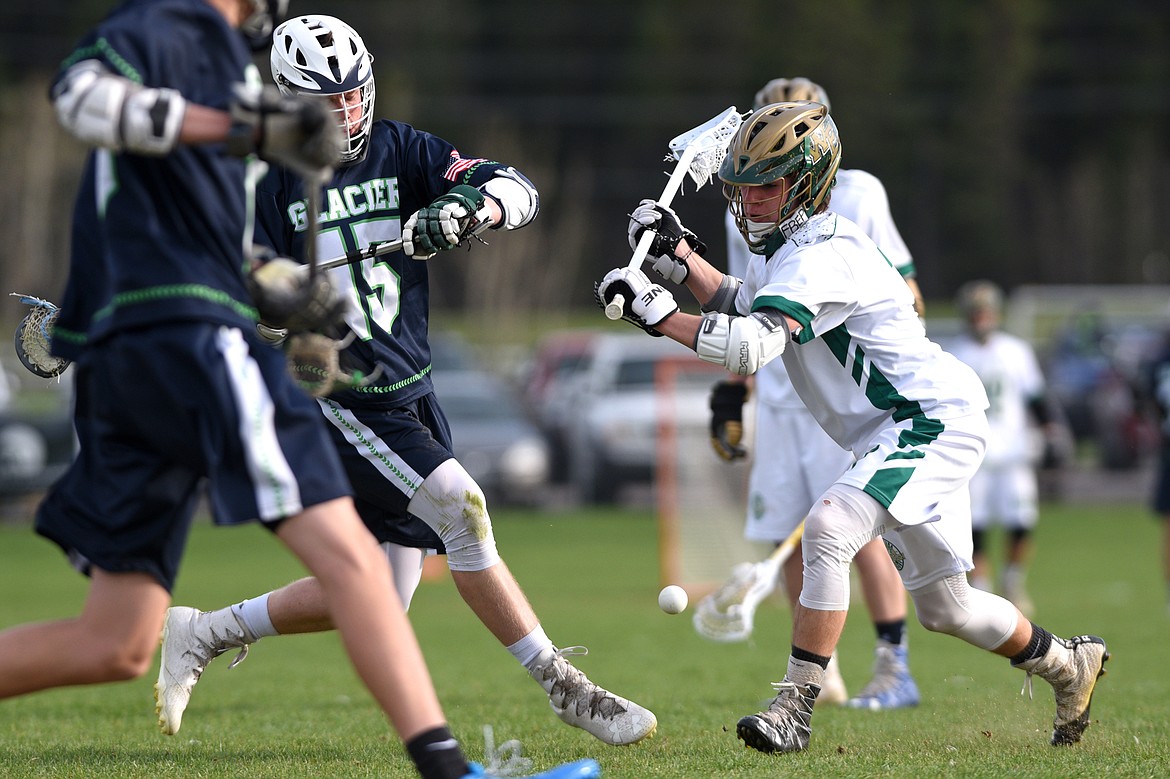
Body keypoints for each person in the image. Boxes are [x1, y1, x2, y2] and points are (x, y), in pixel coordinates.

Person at [0, 2, 600, 779]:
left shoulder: (240, 82)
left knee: (115, 642)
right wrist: (242, 135)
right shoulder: (174, 38)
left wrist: (288, 289)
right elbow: (79, 98)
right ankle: (487, 745)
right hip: (192, 345)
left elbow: (200, 241)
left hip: (160, 354)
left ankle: (209, 633)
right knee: (369, 559)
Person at [155, 13, 655, 749]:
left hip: (412, 391)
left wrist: (464, 209)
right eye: (331, 104)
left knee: (380, 594)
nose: (350, 113)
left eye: (356, 95)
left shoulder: (398, 148)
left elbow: (515, 188)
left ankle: (202, 631)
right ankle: (564, 685)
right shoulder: (266, 184)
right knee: (464, 507)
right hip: (343, 396)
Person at [595, 100, 1108, 754]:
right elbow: (739, 303)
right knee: (948, 608)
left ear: (806, 184)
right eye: (743, 185)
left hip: (926, 420)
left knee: (832, 525)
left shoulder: (824, 254)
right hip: (895, 429)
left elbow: (752, 346)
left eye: (767, 185)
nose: (749, 199)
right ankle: (1068, 662)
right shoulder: (785, 249)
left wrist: (657, 315)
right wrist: (680, 252)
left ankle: (795, 705)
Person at [702, 77, 920, 709]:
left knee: (857, 531)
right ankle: (816, 671)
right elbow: (746, 304)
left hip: (845, 390)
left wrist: (903, 365)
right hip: (778, 386)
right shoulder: (744, 202)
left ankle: (893, 662)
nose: (759, 187)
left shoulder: (857, 196)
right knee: (783, 533)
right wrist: (732, 392)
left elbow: (902, 281)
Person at [947, 280, 1067, 617]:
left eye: (985, 312)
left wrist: (1051, 431)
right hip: (973, 453)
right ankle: (981, 587)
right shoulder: (954, 353)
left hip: (1014, 451)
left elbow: (1036, 397)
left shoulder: (1015, 351)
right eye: (975, 313)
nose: (980, 319)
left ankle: (1013, 580)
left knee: (1021, 519)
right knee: (976, 523)